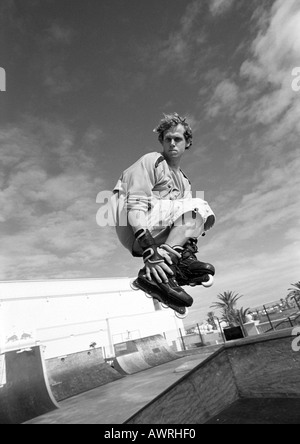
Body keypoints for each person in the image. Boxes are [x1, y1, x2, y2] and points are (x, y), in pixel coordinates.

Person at [111, 113, 215, 308]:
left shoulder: (184, 181)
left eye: (178, 139)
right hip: (134, 227)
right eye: (168, 139)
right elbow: (135, 206)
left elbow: (185, 223)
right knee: (198, 206)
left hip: (156, 229)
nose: (172, 144)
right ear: (162, 141)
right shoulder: (153, 161)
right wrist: (151, 252)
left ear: (188, 142)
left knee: (196, 216)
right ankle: (158, 271)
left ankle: (175, 268)